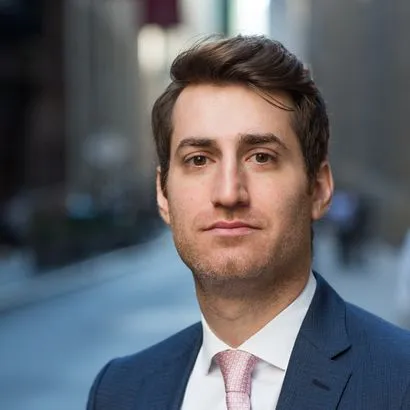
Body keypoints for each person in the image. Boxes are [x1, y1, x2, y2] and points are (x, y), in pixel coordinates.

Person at [87, 35, 410, 410]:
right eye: (198, 159)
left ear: (319, 189)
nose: (229, 193)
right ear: (163, 194)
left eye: (261, 157)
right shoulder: (119, 391)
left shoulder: (400, 380)